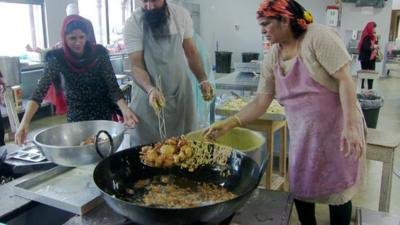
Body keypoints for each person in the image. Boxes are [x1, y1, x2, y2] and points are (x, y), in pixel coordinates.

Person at [204, 1, 367, 225]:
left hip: (338, 128)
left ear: (285, 20)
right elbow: (262, 100)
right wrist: (230, 122)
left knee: (338, 190)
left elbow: (345, 79)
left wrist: (350, 126)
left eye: (266, 24)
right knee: (302, 187)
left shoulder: (317, 38)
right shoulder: (274, 55)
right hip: (304, 134)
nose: (262, 30)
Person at [15, 15, 138, 145]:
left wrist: (125, 110)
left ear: (87, 36)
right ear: (64, 38)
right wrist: (24, 123)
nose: (78, 42)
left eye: (81, 37)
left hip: (102, 109)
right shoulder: (57, 58)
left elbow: (113, 87)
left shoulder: (99, 53)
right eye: (72, 38)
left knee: (102, 146)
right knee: (81, 146)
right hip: (77, 113)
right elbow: (39, 92)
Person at [123, 0, 214, 146]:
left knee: (185, 148)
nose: (150, 6)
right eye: (145, 1)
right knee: (149, 152)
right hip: (148, 99)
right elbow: (137, 66)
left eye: (154, 1)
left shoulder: (180, 16)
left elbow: (191, 52)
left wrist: (202, 79)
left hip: (181, 95)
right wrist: (150, 89)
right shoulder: (133, 23)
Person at [358, 21, 378, 90]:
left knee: (368, 75)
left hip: (369, 59)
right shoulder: (367, 37)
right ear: (370, 28)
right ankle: (365, 89)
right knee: (367, 74)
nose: (374, 29)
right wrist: (374, 47)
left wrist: (376, 39)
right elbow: (366, 48)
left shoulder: (371, 36)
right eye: (373, 28)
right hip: (367, 59)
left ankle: (368, 88)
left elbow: (374, 44)